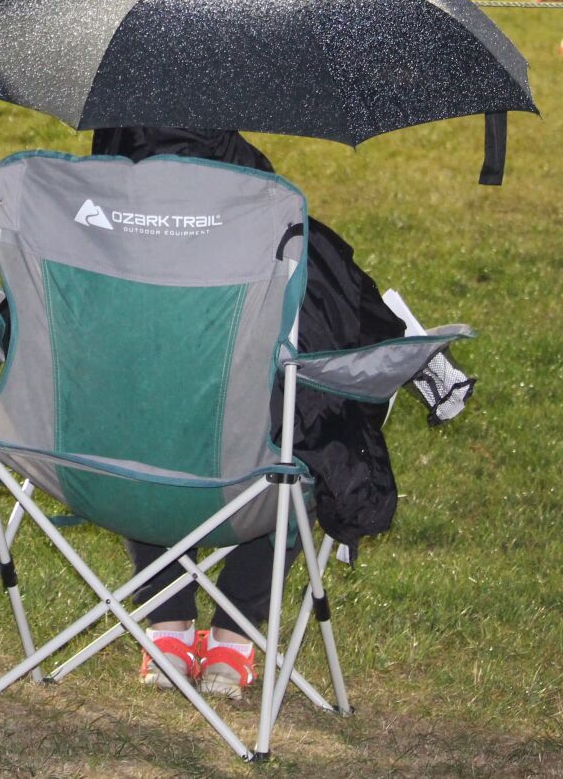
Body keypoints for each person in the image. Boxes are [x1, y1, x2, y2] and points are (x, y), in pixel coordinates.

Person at [90, 125, 413, 702]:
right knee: (303, 434)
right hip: (247, 484)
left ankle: (166, 628)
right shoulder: (284, 225)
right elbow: (342, 366)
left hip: (96, 470)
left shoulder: (70, 215)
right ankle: (232, 635)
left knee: (138, 417)